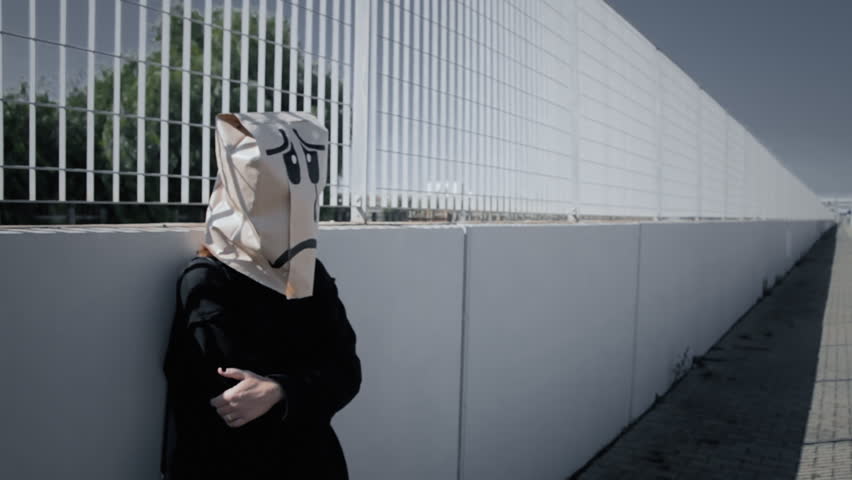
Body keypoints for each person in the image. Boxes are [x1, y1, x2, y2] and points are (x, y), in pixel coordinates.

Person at [161, 112, 361, 479]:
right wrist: (303, 384)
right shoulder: (206, 281)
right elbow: (233, 399)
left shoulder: (308, 272)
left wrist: (279, 389)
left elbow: (347, 372)